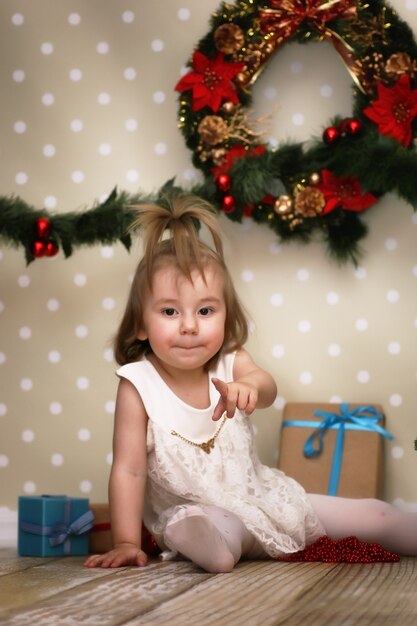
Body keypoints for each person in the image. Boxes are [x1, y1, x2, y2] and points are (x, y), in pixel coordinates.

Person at [85, 194, 417, 573]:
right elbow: (129, 470)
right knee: (202, 523)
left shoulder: (231, 363)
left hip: (266, 498)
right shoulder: (138, 385)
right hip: (200, 512)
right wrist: (127, 541)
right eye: (169, 311)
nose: (190, 325)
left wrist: (253, 388)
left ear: (226, 316)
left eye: (205, 310)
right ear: (141, 324)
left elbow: (267, 385)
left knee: (376, 514)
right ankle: (212, 545)